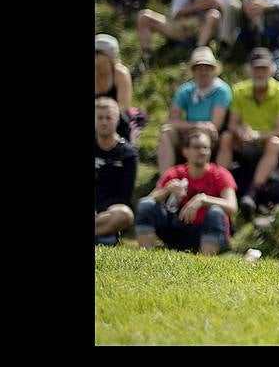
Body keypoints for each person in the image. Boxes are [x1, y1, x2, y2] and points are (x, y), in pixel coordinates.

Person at [220, 48, 279, 214]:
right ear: (248, 70)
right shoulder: (238, 91)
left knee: (273, 142)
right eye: (256, 68)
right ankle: (220, 184)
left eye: (264, 68)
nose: (260, 73)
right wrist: (241, 132)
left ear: (272, 69)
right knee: (227, 137)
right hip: (249, 142)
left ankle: (253, 193)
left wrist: (257, 135)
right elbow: (232, 124)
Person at [136, 129, 237, 255]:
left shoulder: (220, 174)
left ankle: (207, 261)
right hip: (178, 229)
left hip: (209, 231)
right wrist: (167, 189)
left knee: (216, 212)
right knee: (145, 204)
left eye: (205, 148)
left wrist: (203, 200)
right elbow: (149, 200)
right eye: (196, 147)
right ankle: (145, 254)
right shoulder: (175, 173)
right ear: (185, 151)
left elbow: (232, 206)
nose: (202, 152)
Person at [158, 47, 233, 175]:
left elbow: (215, 125)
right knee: (167, 133)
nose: (203, 72)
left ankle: (215, 179)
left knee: (208, 136)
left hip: (213, 137)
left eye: (207, 68)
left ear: (213, 70)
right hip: (188, 133)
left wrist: (199, 128)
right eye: (199, 68)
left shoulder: (222, 90)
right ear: (193, 71)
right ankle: (165, 179)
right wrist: (196, 125)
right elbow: (172, 121)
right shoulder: (185, 90)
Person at [95, 97, 137, 245]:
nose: (104, 122)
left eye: (108, 117)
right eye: (100, 118)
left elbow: (124, 195)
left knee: (125, 214)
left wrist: (100, 211)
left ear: (117, 120)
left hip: (109, 212)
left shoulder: (127, 153)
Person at [94, 34, 134, 140]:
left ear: (109, 56)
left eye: (97, 53)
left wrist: (102, 115)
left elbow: (124, 106)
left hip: (115, 118)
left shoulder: (120, 73)